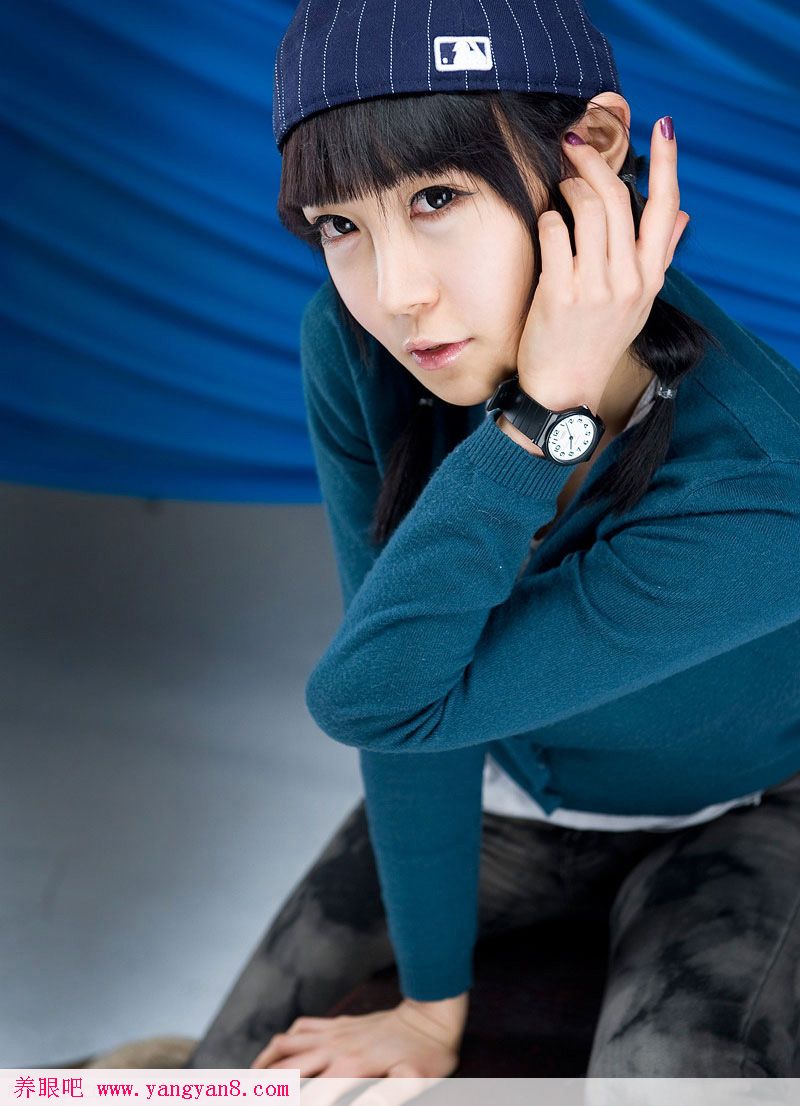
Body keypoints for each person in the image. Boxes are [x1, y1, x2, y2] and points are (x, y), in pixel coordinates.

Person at [184, 0, 800, 1078]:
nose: (395, 296)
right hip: (495, 789)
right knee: (226, 1082)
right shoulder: (355, 348)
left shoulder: (766, 485)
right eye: (340, 226)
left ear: (590, 149)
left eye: (436, 198)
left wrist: (539, 421)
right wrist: (430, 1001)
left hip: (743, 809)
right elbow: (392, 695)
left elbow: (379, 700)